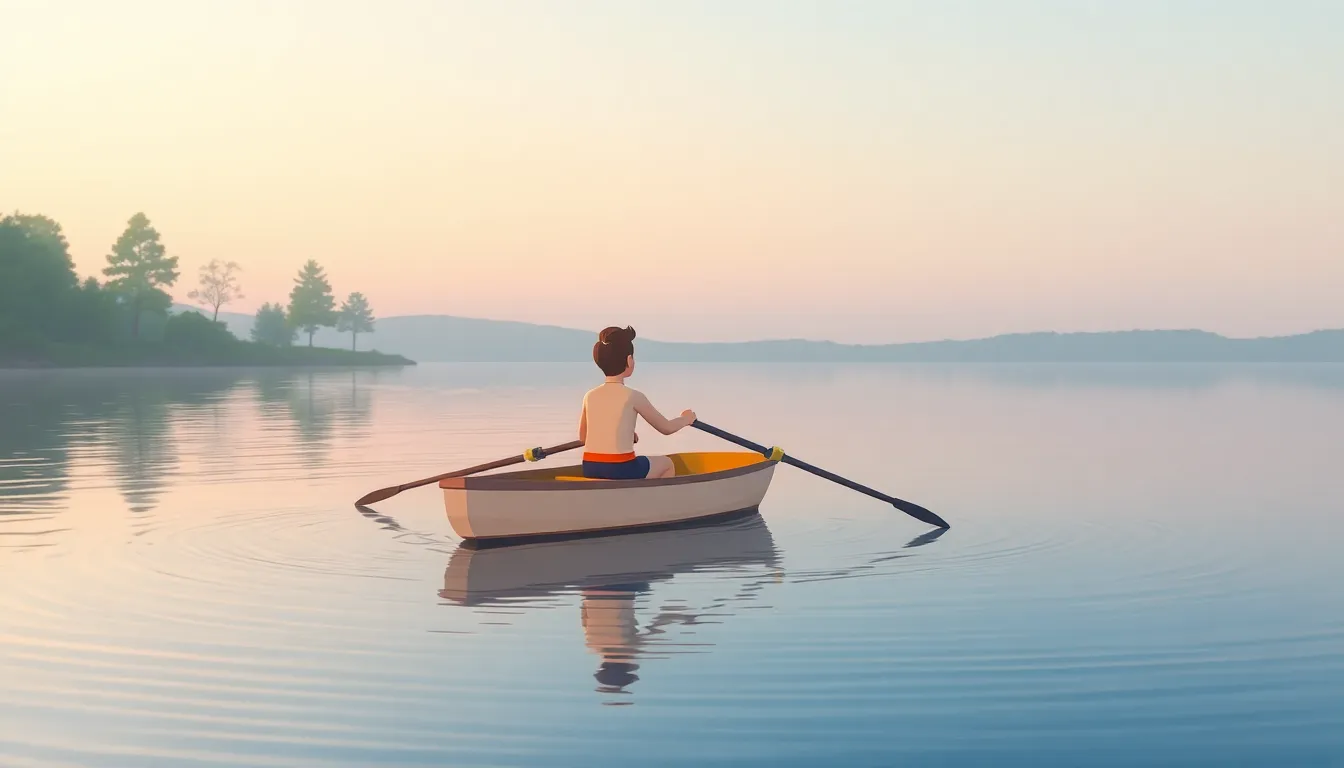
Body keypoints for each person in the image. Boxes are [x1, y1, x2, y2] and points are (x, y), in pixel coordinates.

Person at [579, 326, 695, 480]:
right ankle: (660, 503)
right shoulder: (633, 396)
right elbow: (666, 428)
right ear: (629, 360)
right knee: (667, 463)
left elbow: (583, 437)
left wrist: (624, 434)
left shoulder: (590, 396)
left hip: (590, 467)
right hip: (621, 468)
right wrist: (686, 419)